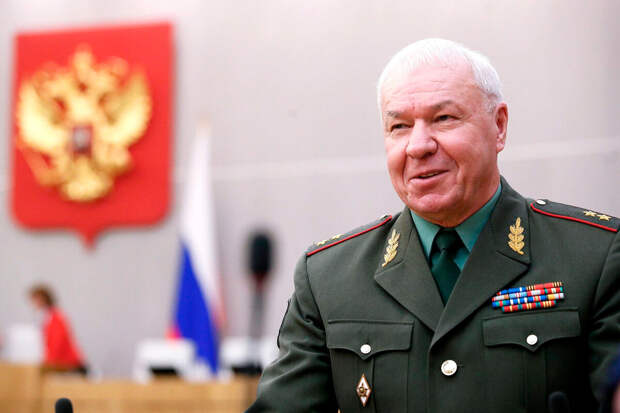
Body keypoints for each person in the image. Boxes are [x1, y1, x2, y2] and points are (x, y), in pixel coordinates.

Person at [246, 38, 620, 412]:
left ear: (499, 126)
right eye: (399, 126)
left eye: (444, 119)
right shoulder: (329, 277)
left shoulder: (595, 258)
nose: (418, 145)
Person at [29, 285, 87, 374]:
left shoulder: (55, 317)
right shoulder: (44, 318)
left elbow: (57, 342)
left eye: (36, 299)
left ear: (44, 299)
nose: (34, 303)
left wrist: (48, 363)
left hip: (70, 365)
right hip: (59, 365)